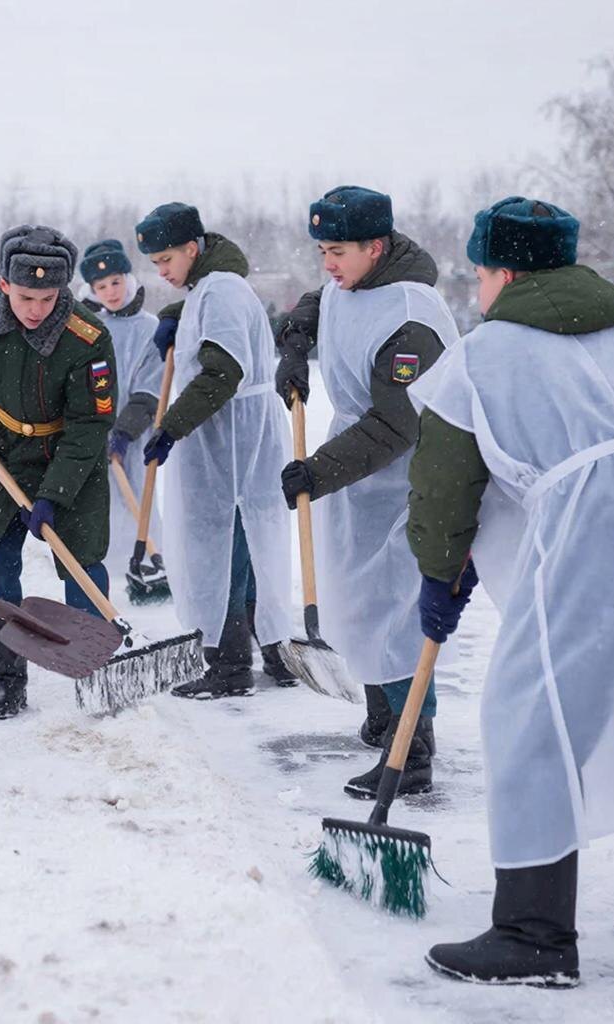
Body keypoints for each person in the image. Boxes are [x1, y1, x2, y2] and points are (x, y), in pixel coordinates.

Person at [406, 196, 614, 987]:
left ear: (501, 271)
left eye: (479, 273)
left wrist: (440, 574)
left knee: (534, 710)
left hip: (591, 534)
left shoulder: (485, 353)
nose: (476, 289)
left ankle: (534, 934)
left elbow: (441, 485)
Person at [277, 186, 458, 796]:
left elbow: (398, 424)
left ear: (375, 247)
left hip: (410, 476)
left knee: (398, 613)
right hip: (360, 468)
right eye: (322, 249)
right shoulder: (351, 283)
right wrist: (295, 342)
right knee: (358, 600)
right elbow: (318, 303)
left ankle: (414, 750)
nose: (328, 263)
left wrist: (316, 471)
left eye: (337, 251)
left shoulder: (410, 317)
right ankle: (383, 714)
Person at [0, 225, 116, 720]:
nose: (36, 309)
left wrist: (53, 494)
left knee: (81, 560)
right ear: (5, 285)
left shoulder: (87, 338)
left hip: (67, 450)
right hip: (0, 442)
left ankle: (92, 674)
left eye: (48, 297)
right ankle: (8, 681)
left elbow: (91, 426)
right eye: (26, 296)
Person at [135, 202, 294, 697]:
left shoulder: (221, 289)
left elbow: (224, 371)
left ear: (192, 248)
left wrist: (171, 427)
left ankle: (229, 666)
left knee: (220, 546)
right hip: (231, 439)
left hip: (231, 442)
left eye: (165, 261)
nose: (160, 272)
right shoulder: (213, 286)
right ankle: (264, 649)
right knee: (238, 543)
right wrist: (174, 315)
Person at [77, 238, 164, 583]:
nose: (110, 292)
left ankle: (150, 562)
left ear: (129, 279)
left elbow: (149, 387)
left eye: (116, 282)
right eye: (102, 286)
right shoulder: (86, 330)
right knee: (103, 508)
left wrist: (124, 432)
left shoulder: (150, 328)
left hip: (135, 432)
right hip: (96, 432)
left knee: (139, 502)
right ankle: (111, 574)